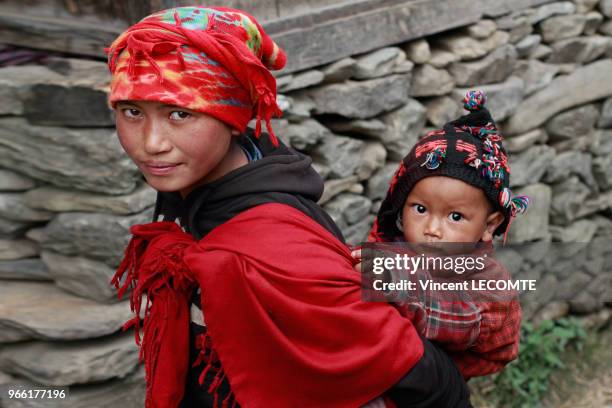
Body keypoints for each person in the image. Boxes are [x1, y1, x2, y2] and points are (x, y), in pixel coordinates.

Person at [107, 6, 472, 407]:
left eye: (180, 113)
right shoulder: (209, 180)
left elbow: (421, 373)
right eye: (132, 111)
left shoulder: (273, 248)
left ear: (232, 117)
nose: (151, 142)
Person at [355, 91, 526, 379]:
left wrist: (392, 281)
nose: (432, 229)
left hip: (444, 377)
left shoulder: (488, 285)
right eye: (420, 208)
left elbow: (449, 313)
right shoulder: (403, 245)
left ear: (489, 226)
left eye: (455, 217)